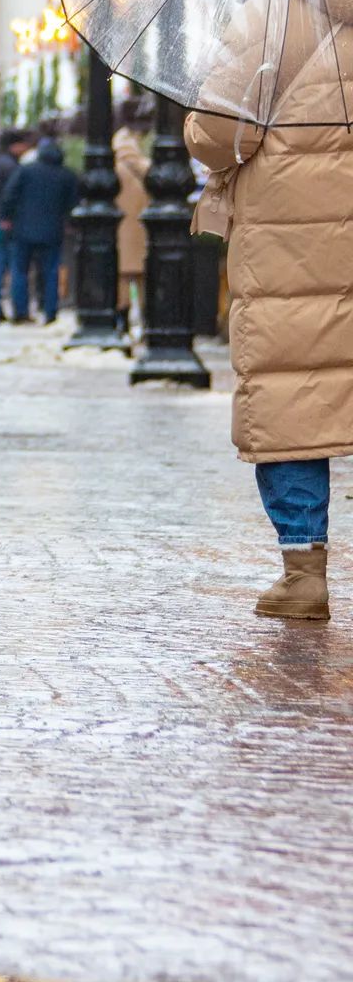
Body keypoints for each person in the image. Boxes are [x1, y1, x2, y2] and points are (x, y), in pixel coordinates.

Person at [186, 95, 353, 621]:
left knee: (292, 393)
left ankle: (305, 574)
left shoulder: (269, 26)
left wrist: (195, 122)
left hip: (287, 245)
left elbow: (218, 134)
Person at [0, 135, 79, 326]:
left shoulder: (26, 170)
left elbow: (10, 194)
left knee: (20, 270)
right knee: (51, 271)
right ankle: (50, 312)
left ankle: (21, 312)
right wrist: (69, 222)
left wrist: (6, 217)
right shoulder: (67, 174)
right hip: (52, 230)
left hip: (23, 229)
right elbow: (73, 203)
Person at [0, 129, 36, 322]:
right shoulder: (9, 166)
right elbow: (11, 194)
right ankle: (9, 308)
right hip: (7, 221)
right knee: (10, 264)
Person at [112, 97, 152, 324]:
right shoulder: (127, 147)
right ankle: (126, 318)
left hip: (134, 219)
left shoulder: (128, 144)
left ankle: (127, 320)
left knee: (131, 272)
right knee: (129, 273)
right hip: (132, 220)